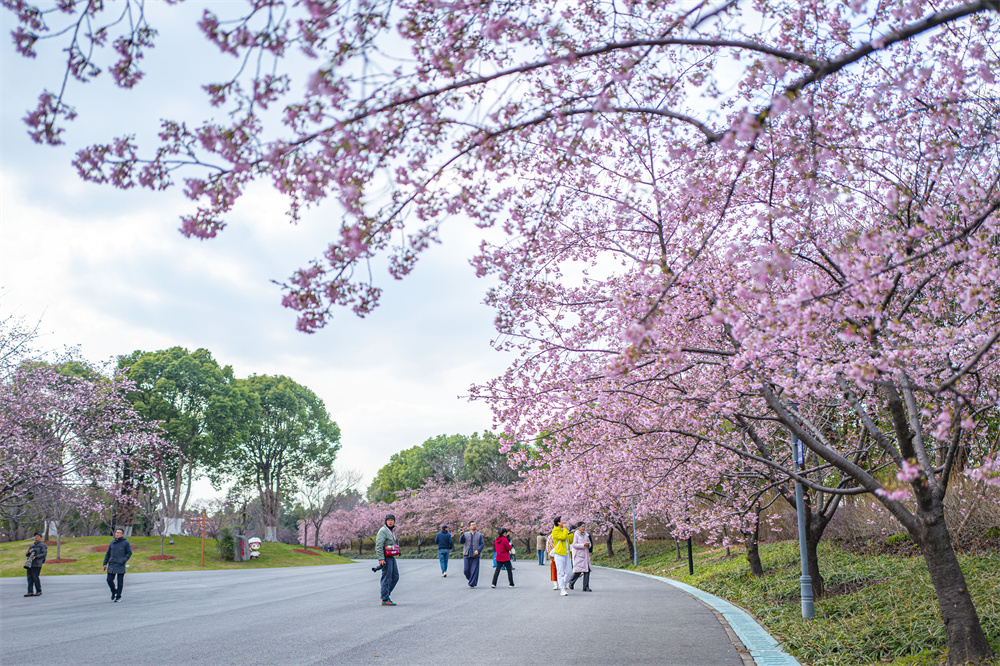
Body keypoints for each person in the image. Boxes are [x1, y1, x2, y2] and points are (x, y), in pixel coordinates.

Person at [375, 513, 400, 606]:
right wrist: (381, 558)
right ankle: (385, 599)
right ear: (385, 521)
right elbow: (379, 545)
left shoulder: (390, 531)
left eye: (392, 520)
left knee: (395, 576)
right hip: (386, 558)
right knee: (387, 578)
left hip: (391, 557)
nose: (390, 522)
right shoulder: (383, 531)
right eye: (388, 520)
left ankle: (384, 594)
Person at [103, 527, 132, 602]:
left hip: (120, 564)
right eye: (116, 532)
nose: (117, 534)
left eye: (119, 533)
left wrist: (123, 560)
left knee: (120, 582)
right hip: (112, 564)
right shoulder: (112, 542)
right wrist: (105, 563)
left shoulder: (126, 542)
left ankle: (118, 596)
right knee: (109, 580)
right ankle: (114, 591)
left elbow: (129, 552)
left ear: (122, 534)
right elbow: (108, 553)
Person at [459, 520, 485, 588]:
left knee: (474, 570)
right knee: (466, 570)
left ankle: (472, 583)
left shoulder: (479, 535)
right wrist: (462, 535)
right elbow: (461, 542)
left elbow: (482, 544)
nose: (474, 526)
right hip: (467, 554)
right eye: (472, 525)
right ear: (469, 527)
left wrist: (478, 550)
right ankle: (471, 579)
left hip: (475, 555)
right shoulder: (465, 534)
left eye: (475, 525)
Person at [551, 516, 572, 596]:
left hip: (567, 553)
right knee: (560, 572)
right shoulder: (555, 530)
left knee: (569, 572)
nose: (564, 521)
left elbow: (570, 541)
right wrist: (565, 530)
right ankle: (562, 589)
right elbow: (562, 537)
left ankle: (563, 584)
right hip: (559, 553)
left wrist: (571, 534)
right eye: (562, 520)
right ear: (558, 523)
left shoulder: (564, 530)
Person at [569, 521, 593, 591]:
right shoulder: (576, 534)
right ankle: (571, 581)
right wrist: (583, 545)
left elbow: (590, 543)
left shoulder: (586, 534)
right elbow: (574, 545)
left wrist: (588, 545)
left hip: (585, 554)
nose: (583, 528)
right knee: (578, 571)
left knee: (587, 570)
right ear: (578, 527)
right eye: (582, 526)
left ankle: (586, 587)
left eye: (584, 526)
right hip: (579, 555)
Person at [24, 532, 47, 597]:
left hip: (37, 564)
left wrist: (36, 557)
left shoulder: (42, 545)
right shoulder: (32, 546)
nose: (36, 537)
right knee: (29, 578)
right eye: (35, 536)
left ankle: (38, 591)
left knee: (35, 577)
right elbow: (26, 554)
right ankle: (30, 591)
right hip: (30, 563)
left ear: (40, 537)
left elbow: (44, 554)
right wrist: (29, 552)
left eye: (37, 536)